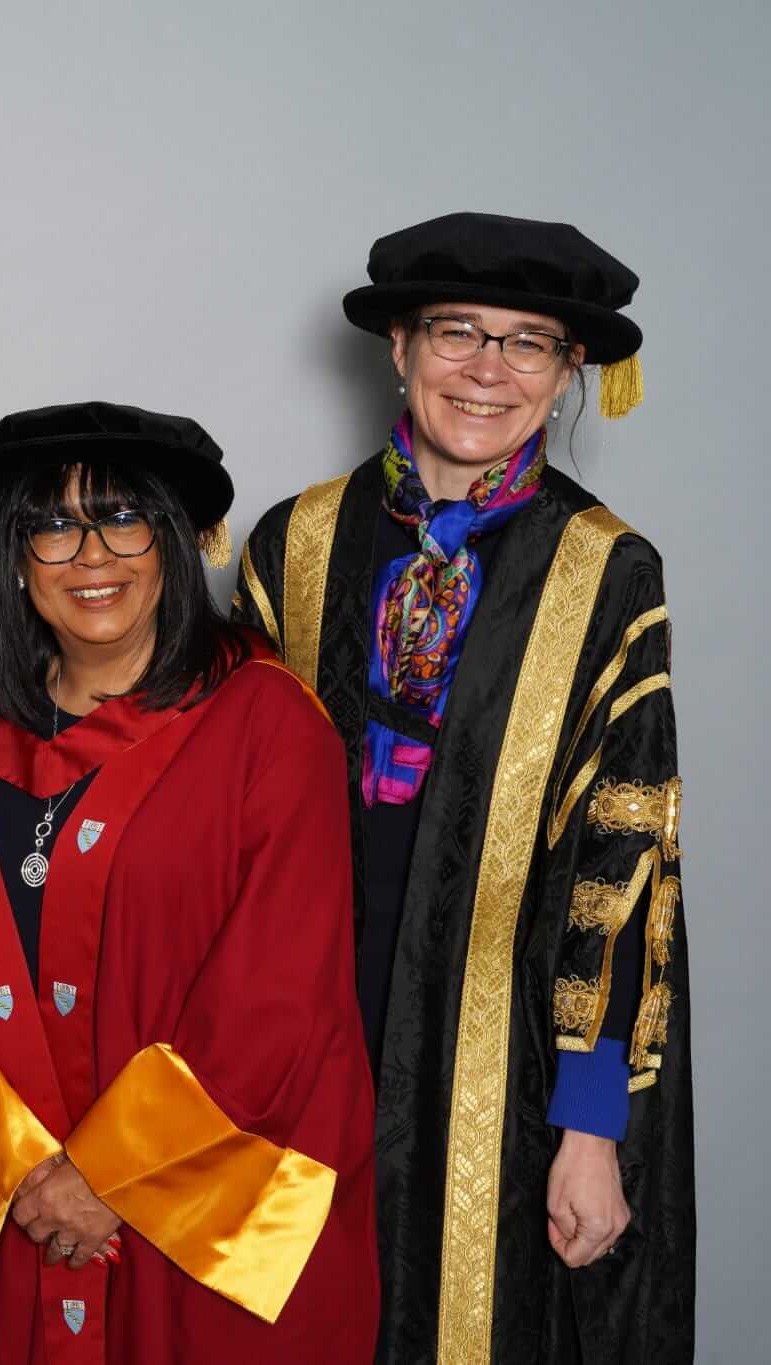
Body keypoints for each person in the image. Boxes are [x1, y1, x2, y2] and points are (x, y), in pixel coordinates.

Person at [233, 212, 694, 1364]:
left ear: (566, 371)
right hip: (303, 1008)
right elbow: (213, 813)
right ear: (398, 346)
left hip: (501, 1029)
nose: (488, 371)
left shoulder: (603, 569)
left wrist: (590, 1129)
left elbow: (625, 852)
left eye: (527, 344)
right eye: (457, 333)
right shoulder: (292, 542)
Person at [0, 402, 379, 1363]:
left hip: (213, 1225)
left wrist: (102, 1177)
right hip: (36, 1212)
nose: (90, 555)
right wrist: (24, 1170)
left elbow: (278, 1000)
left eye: (121, 517)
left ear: (174, 543)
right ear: (16, 560)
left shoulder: (266, 723)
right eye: (53, 526)